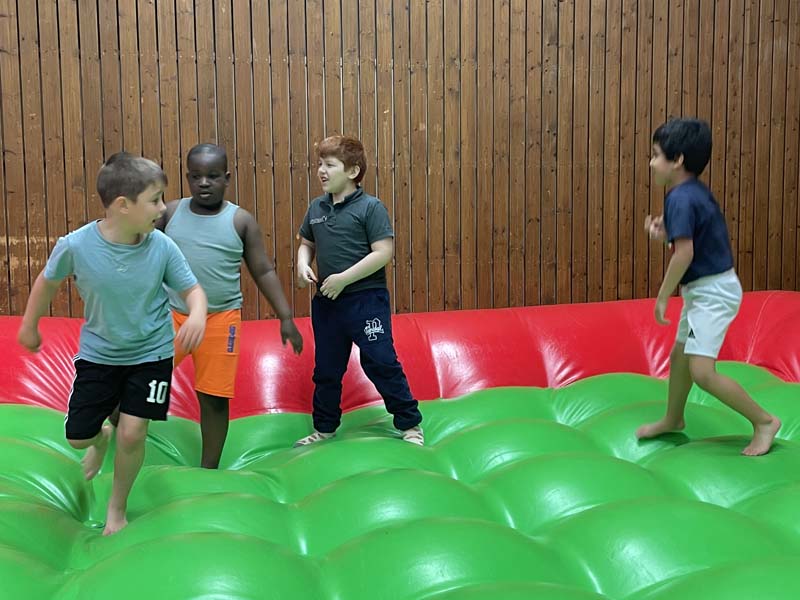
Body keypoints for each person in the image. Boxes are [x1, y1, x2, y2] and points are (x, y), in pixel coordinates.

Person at [17, 152, 207, 534]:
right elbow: (47, 281)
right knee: (77, 437)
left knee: (134, 433)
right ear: (123, 205)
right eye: (154, 199)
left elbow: (193, 290)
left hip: (152, 352)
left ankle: (116, 509)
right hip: (100, 354)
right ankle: (99, 437)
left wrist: (198, 314)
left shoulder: (161, 247)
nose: (163, 207)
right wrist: (29, 325)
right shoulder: (76, 245)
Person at [635, 118, 780, 456]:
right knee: (679, 355)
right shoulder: (690, 192)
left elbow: (684, 253)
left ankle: (764, 421)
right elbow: (690, 236)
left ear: (678, 160)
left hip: (712, 294)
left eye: (655, 155)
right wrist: (664, 233)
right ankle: (673, 418)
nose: (651, 162)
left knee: (702, 371)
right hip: (705, 291)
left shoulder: (681, 199)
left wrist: (662, 296)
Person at [159, 143, 303, 468]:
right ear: (187, 177)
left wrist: (285, 316)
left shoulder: (240, 221)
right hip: (172, 315)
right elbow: (142, 251)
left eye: (212, 176)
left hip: (220, 319)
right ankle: (115, 424)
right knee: (139, 376)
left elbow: (262, 270)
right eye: (196, 176)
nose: (204, 183)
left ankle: (208, 468)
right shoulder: (170, 213)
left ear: (226, 178)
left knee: (213, 396)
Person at [294, 135, 423, 447]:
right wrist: (302, 263)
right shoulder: (317, 208)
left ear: (352, 171)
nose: (321, 171)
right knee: (327, 367)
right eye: (319, 164)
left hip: (366, 301)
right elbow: (307, 243)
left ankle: (410, 424)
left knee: (380, 360)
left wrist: (343, 279)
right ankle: (324, 428)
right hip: (328, 303)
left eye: (330, 165)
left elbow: (383, 253)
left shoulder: (370, 207)